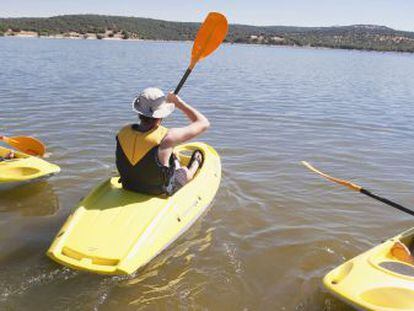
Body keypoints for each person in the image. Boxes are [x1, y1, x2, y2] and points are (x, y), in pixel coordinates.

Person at [116, 87, 210, 195]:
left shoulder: (123, 132)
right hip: (158, 190)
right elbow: (204, 123)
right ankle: (195, 164)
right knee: (183, 172)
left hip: (128, 185)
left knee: (168, 155)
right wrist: (179, 103)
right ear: (161, 114)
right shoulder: (168, 137)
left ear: (139, 113)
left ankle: (173, 159)